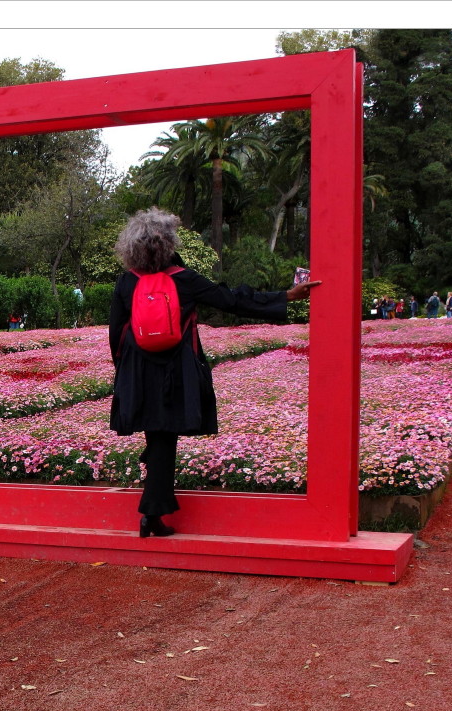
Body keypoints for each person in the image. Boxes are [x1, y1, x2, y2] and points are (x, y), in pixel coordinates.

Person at [108, 208, 320, 538]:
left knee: (158, 435)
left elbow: (115, 332)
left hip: (138, 372)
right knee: (164, 435)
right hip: (174, 372)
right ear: (169, 244)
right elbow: (232, 300)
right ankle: (151, 514)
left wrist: (123, 376)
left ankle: (154, 503)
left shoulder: (126, 282)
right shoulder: (184, 279)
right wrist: (285, 296)